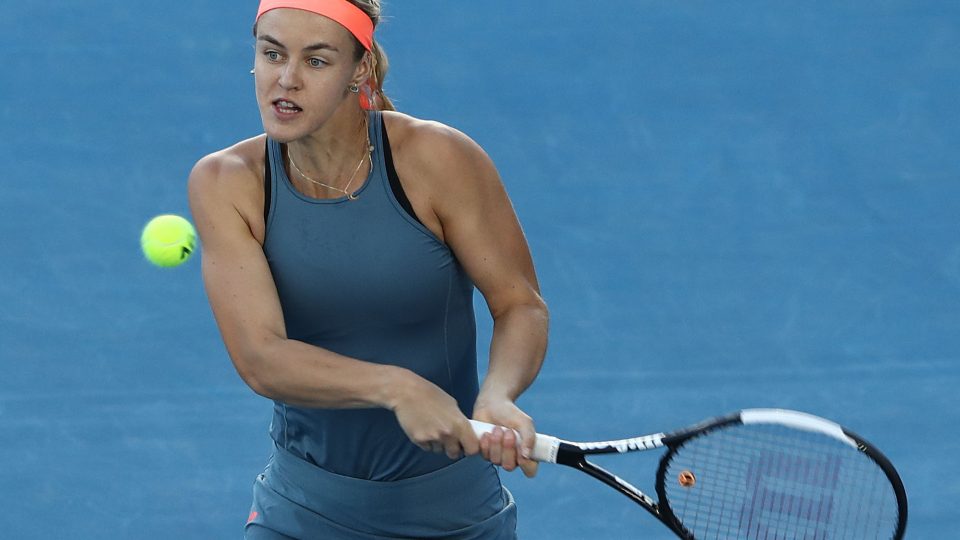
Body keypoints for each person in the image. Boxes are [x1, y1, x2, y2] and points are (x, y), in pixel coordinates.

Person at [187, 1, 549, 538]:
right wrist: (398, 388)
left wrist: (497, 394)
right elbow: (262, 358)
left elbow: (519, 304)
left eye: (316, 61)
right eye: (271, 54)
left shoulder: (437, 159)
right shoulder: (227, 183)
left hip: (453, 514)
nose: (284, 81)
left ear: (359, 68)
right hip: (303, 511)